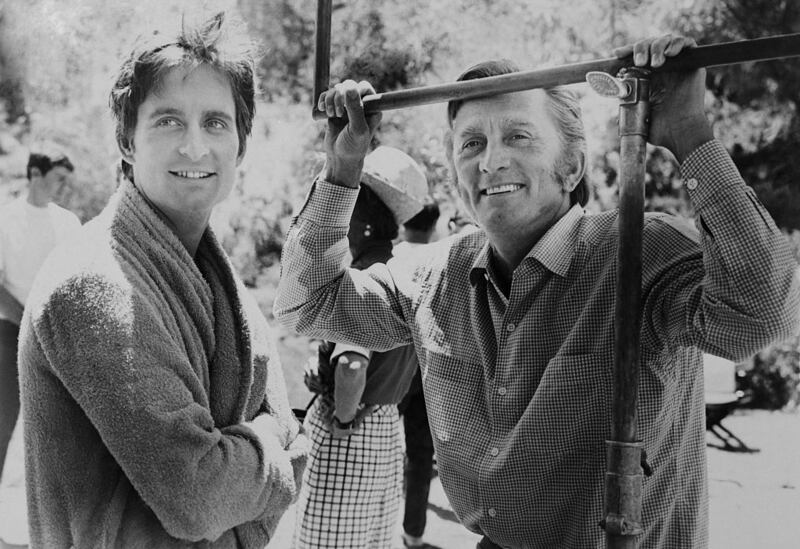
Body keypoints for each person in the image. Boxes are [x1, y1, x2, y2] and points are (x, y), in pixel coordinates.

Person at [274, 34, 800, 548]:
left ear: (570, 166)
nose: (490, 161)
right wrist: (342, 169)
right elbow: (307, 305)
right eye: (472, 143)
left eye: (518, 136)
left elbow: (766, 315)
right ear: (456, 173)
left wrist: (690, 136)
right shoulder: (435, 275)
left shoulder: (639, 251)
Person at [18, 12, 307, 548]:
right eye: (168, 120)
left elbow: (274, 451)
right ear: (127, 140)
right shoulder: (93, 285)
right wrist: (276, 448)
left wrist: (248, 468)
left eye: (215, 123)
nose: (194, 146)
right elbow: (198, 496)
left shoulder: (220, 281)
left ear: (241, 145)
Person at [293, 145, 427, 549]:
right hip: (387, 427)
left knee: (328, 541)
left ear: (362, 217)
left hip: (351, 429)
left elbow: (352, 364)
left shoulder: (364, 273)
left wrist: (344, 419)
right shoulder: (404, 267)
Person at [0, 147, 81, 548]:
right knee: (2, 425)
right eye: (56, 179)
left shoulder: (68, 223)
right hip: (7, 334)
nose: (63, 188)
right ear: (34, 173)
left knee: (55, 433)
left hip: (55, 340)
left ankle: (51, 532)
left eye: (66, 181)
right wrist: (26, 318)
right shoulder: (6, 219)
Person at [394, 201, 441, 549]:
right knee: (420, 454)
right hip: (427, 371)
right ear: (434, 224)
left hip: (387, 372)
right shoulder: (442, 259)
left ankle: (369, 523)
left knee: (374, 446)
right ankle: (413, 532)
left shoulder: (389, 257)